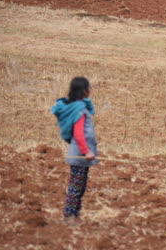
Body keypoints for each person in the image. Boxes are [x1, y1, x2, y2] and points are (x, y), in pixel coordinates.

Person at [51, 77, 98, 226]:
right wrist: (86, 152)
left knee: (81, 186)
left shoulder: (80, 107)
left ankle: (74, 215)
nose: (91, 90)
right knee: (76, 186)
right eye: (89, 87)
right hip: (79, 155)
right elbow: (78, 134)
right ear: (85, 91)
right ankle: (69, 216)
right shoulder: (79, 109)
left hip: (81, 155)